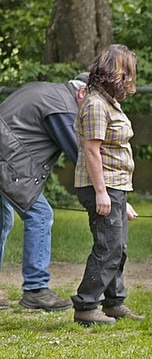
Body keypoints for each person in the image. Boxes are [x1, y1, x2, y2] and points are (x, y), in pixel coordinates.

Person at [0, 73, 89, 311]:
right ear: (82, 93)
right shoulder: (62, 108)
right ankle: (36, 289)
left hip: (5, 155)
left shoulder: (47, 91)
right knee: (40, 215)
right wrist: (106, 193)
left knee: (2, 220)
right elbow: (80, 158)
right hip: (6, 160)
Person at [71, 44, 143, 325]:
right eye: (128, 74)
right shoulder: (96, 105)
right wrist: (102, 193)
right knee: (108, 247)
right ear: (116, 73)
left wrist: (122, 198)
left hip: (115, 186)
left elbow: (114, 154)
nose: (130, 81)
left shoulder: (109, 102)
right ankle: (86, 306)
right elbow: (92, 151)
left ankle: (114, 303)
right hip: (99, 186)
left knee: (119, 247)